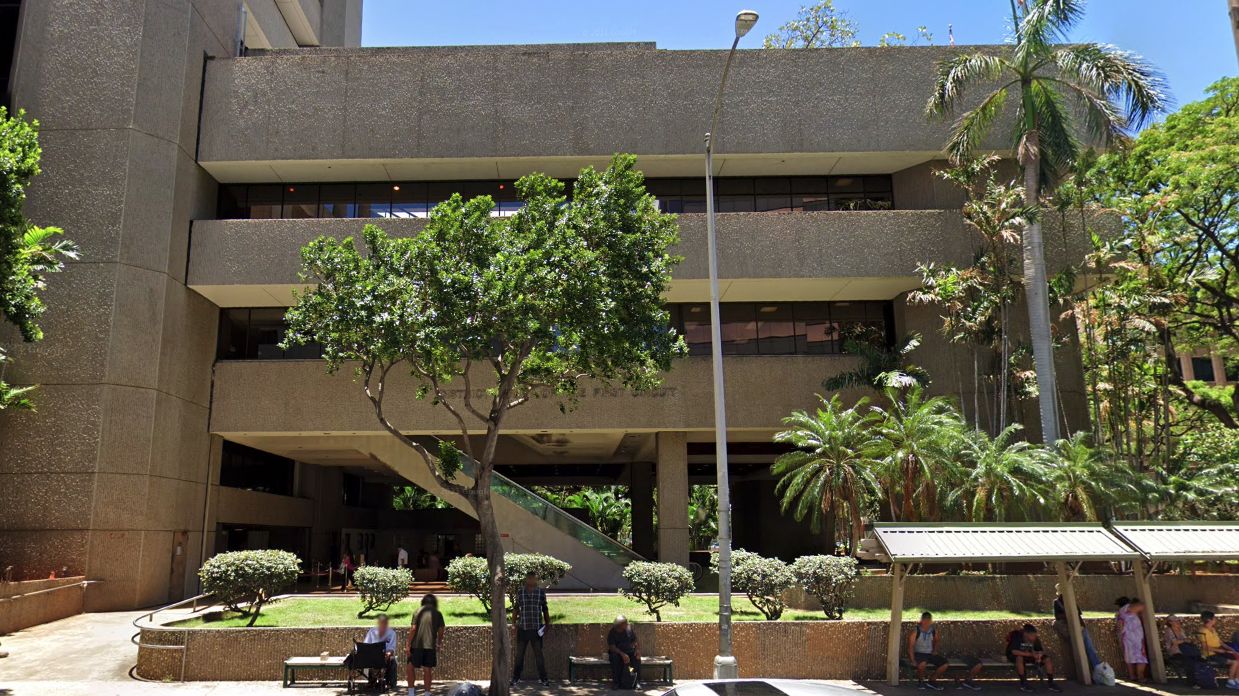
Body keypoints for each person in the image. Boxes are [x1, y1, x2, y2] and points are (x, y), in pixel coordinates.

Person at [906, 612, 981, 691]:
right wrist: (913, 660)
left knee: (944, 664)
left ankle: (932, 680)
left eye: (929, 621)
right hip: (919, 653)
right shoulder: (916, 631)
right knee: (922, 664)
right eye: (925, 621)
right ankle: (920, 681)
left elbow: (936, 640)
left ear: (931, 621)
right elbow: (910, 647)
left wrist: (934, 650)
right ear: (921, 621)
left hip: (930, 654)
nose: (927, 623)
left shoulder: (933, 630)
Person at [511, 571, 551, 686]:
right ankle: (515, 678)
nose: (531, 580)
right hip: (522, 629)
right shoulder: (520, 592)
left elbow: (545, 609)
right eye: (529, 578)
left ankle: (544, 679)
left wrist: (547, 624)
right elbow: (516, 609)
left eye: (533, 578)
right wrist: (513, 624)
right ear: (526, 579)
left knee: (539, 656)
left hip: (536, 629)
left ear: (536, 579)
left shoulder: (540, 593)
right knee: (519, 656)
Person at [1052, 585, 1101, 669]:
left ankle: (1097, 667)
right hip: (1069, 628)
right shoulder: (1057, 602)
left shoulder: (1072, 600)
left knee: (1089, 648)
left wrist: (1082, 626)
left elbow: (1078, 614)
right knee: (1077, 650)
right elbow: (1058, 616)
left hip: (1079, 626)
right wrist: (1068, 614)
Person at [407, 594, 446, 696]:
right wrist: (439, 643)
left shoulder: (418, 611)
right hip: (430, 646)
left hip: (416, 645)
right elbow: (441, 630)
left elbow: (413, 629)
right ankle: (427, 693)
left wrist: (408, 644)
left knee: (410, 667)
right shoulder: (438, 613)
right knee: (427, 669)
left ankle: (411, 692)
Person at [1006, 624, 1062, 693]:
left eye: (1035, 635)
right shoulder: (1017, 637)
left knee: (1047, 660)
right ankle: (1023, 683)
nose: (1034, 637)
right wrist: (1029, 654)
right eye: (1032, 635)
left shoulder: (1035, 639)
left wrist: (1039, 655)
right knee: (1019, 658)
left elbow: (1040, 650)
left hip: (1031, 656)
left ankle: (1051, 682)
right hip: (1017, 656)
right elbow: (1013, 651)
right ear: (1025, 634)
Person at [1197, 611, 1239, 688]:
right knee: (1235, 662)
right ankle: (1230, 682)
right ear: (1209, 619)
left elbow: (1220, 642)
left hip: (1220, 652)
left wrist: (1231, 649)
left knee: (1238, 657)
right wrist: (1219, 650)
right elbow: (1204, 647)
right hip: (1210, 655)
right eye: (1214, 618)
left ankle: (1236, 680)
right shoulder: (1202, 631)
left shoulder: (1213, 629)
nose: (1215, 619)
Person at [360, 613, 399, 689]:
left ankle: (389, 682)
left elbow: (392, 648)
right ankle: (371, 681)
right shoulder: (372, 631)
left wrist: (388, 654)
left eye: (384, 623)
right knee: (368, 660)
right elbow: (366, 644)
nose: (383, 625)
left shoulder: (392, 633)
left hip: (386, 655)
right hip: (373, 655)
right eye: (381, 623)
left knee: (392, 661)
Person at [1115, 597, 1149, 682]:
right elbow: (1141, 606)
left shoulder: (1120, 613)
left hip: (1126, 638)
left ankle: (1132, 676)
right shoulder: (1126, 608)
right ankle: (1140, 677)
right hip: (1135, 638)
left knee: (1130, 657)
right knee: (1141, 657)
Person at [607, 615, 641, 689]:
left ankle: (636, 682)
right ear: (619, 625)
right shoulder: (612, 632)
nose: (627, 624)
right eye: (625, 623)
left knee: (636, 659)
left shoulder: (629, 629)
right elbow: (612, 647)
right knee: (615, 659)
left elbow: (635, 641)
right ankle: (616, 683)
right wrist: (622, 654)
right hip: (617, 653)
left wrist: (637, 650)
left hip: (629, 651)